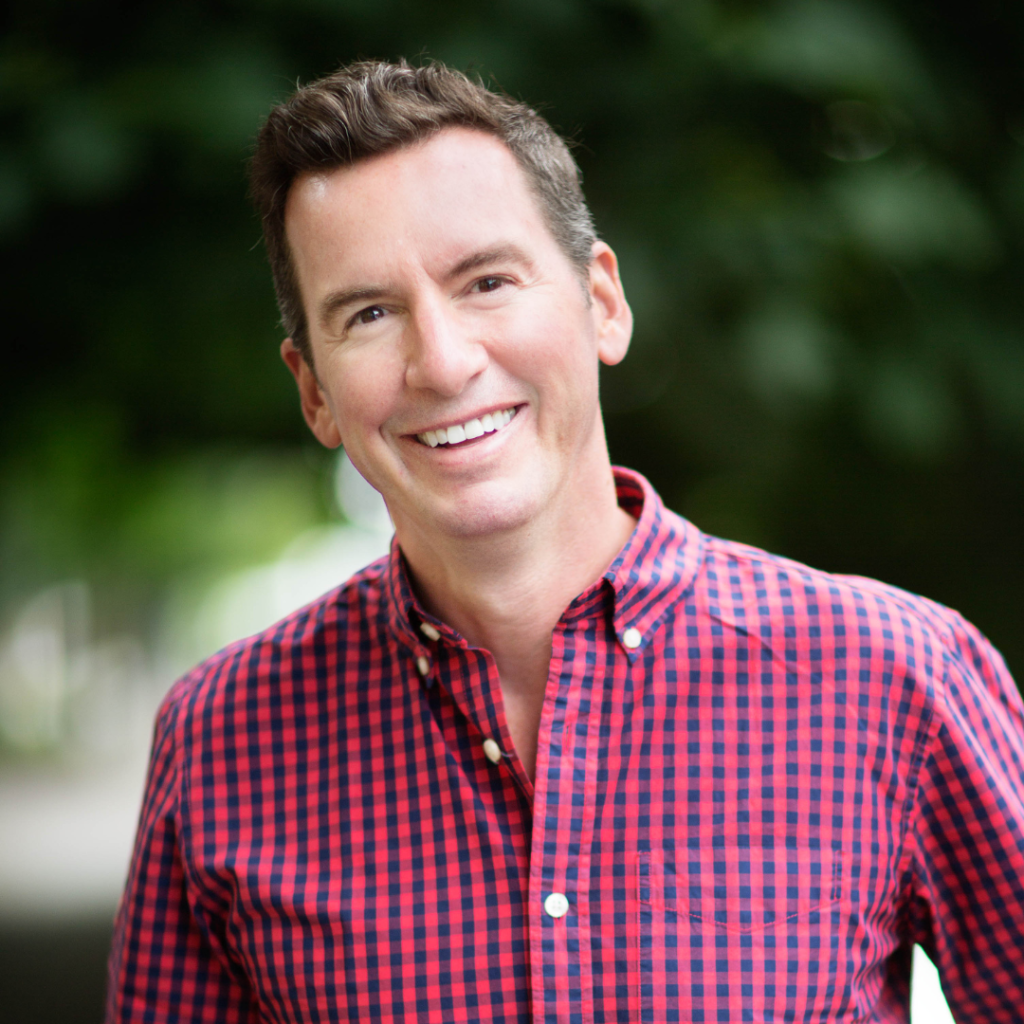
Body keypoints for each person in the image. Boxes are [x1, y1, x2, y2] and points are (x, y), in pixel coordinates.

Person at [106, 60, 1024, 1023]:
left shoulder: (895, 677)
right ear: (313, 392)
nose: (445, 361)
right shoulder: (220, 743)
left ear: (603, 303)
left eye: (487, 281)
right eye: (369, 314)